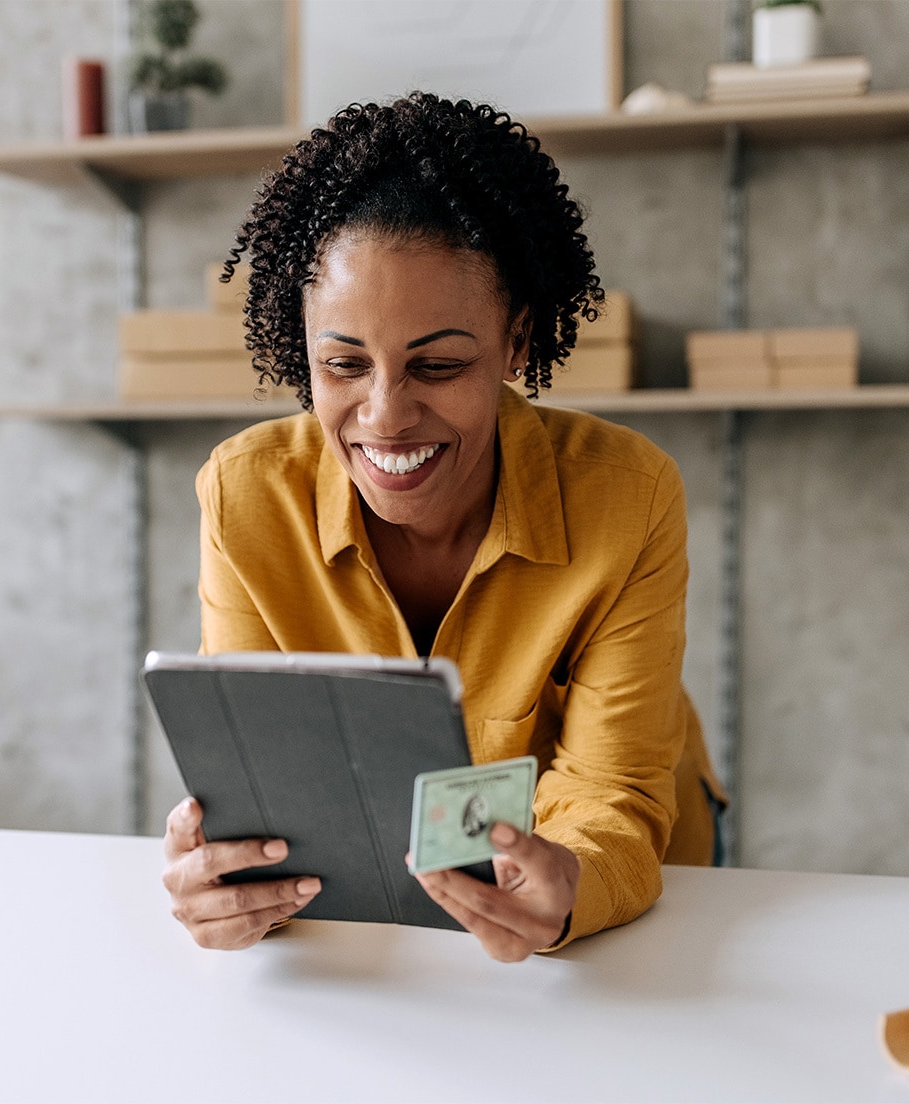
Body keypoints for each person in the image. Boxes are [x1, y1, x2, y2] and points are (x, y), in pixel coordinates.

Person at [163, 92, 726, 962]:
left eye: (440, 364)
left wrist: (570, 886)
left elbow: (612, 791)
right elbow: (266, 793)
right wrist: (233, 885)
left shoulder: (629, 497)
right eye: (343, 363)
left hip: (619, 918)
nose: (385, 417)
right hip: (389, 927)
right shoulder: (245, 499)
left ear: (516, 343)